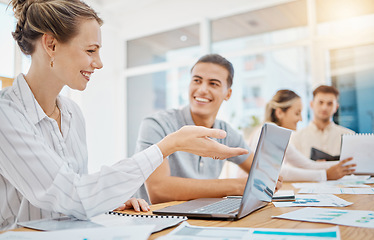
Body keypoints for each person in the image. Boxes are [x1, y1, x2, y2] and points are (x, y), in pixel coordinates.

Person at [0, 0, 248, 230]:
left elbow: (77, 198)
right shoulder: (6, 114)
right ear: (51, 44)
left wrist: (106, 201)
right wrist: (167, 146)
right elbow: (71, 196)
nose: (99, 63)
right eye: (90, 50)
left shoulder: (72, 113)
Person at [134, 54, 257, 204]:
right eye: (197, 81)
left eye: (213, 84)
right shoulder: (156, 124)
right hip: (155, 220)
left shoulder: (225, 132)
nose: (202, 89)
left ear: (228, 94)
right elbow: (159, 191)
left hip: (199, 216)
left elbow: (260, 173)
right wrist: (236, 186)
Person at [248, 90, 355, 182]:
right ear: (280, 113)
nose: (301, 119)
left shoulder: (278, 134)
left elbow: (307, 165)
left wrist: (346, 165)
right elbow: (279, 171)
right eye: (297, 113)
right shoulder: (270, 130)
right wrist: (325, 175)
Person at [291, 85, 355, 158]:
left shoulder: (350, 136)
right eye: (320, 102)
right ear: (312, 104)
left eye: (329, 103)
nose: (324, 108)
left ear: (336, 107)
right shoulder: (296, 138)